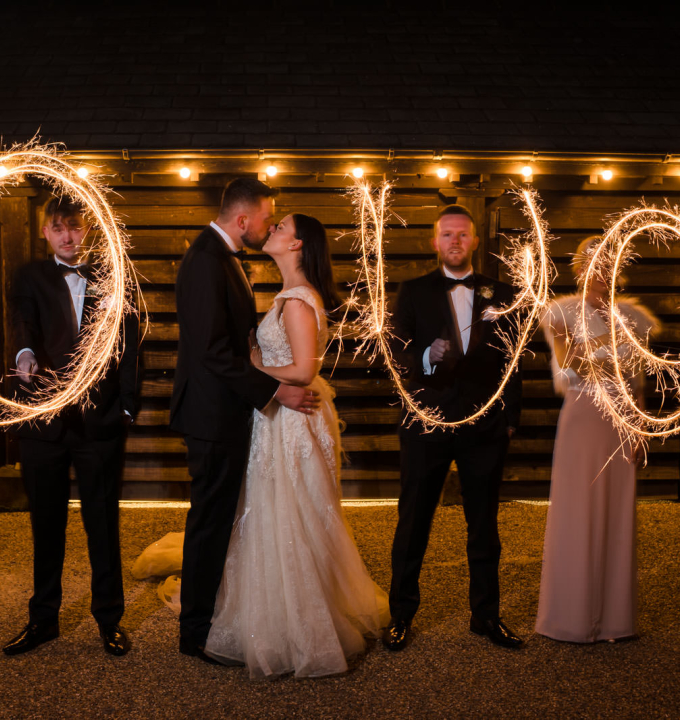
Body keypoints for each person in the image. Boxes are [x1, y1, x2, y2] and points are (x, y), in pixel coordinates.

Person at [202, 213, 389, 678]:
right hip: (278, 417)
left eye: (281, 226)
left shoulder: (299, 302)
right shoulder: (286, 298)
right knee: (274, 513)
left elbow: (304, 371)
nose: (273, 230)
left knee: (295, 513)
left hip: (291, 419)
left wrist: (250, 370)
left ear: (298, 244)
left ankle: (306, 629)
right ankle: (277, 618)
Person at [170, 178, 318, 664]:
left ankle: (211, 618)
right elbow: (213, 353)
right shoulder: (206, 262)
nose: (267, 225)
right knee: (209, 522)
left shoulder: (224, 259)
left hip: (228, 413)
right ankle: (194, 633)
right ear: (242, 220)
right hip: (212, 417)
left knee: (219, 520)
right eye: (265, 217)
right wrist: (275, 388)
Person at [2, 196, 140, 658]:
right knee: (46, 524)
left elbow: (129, 343)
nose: (67, 236)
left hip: (99, 423)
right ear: (45, 232)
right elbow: (21, 323)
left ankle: (109, 620)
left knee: (102, 523)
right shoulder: (29, 276)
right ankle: (43, 620)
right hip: (42, 421)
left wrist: (127, 408)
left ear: (88, 229)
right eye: (58, 228)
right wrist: (24, 355)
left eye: (75, 227)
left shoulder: (114, 276)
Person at [384, 204, 524, 651]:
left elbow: (514, 361)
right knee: (414, 521)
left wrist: (511, 421)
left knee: (484, 523)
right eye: (447, 234)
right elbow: (396, 353)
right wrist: (427, 355)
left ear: (476, 241)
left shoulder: (504, 294)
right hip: (426, 421)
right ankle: (401, 616)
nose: (455, 241)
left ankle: (486, 616)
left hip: (485, 424)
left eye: (463, 234)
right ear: (434, 242)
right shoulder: (411, 291)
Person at [535, 236, 658, 643]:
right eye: (591, 262)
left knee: (618, 512)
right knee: (577, 509)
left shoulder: (635, 318)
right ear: (578, 267)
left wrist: (639, 427)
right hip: (582, 418)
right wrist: (605, 352)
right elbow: (567, 373)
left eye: (607, 262)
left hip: (620, 423)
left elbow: (637, 382)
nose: (600, 270)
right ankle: (569, 618)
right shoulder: (560, 314)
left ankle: (614, 620)